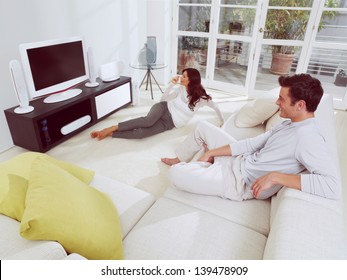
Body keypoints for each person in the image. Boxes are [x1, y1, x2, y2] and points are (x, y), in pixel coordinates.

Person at [161, 74, 341, 201]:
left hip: (237, 181)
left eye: (282, 99)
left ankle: (202, 167)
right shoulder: (291, 123)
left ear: (300, 105)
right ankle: (186, 159)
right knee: (202, 127)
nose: (277, 103)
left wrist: (275, 177)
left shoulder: (309, 139)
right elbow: (252, 144)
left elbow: (333, 186)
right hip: (239, 161)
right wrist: (213, 152)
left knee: (176, 174)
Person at [90, 68, 224, 140]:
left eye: (184, 76)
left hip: (170, 123)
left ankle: (112, 134)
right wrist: (171, 84)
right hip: (163, 108)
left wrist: (222, 122)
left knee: (141, 134)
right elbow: (163, 100)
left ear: (191, 80)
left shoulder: (201, 98)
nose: (180, 78)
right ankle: (113, 127)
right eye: (181, 75)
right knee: (148, 121)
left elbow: (216, 107)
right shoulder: (179, 89)